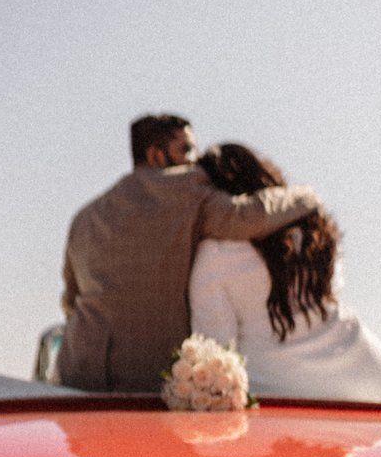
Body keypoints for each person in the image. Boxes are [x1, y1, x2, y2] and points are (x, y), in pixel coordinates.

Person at [56, 115, 325, 392]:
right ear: (156, 155)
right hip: (148, 383)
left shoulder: (85, 217)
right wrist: (305, 195)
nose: (195, 159)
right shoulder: (186, 186)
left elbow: (70, 301)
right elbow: (248, 216)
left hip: (77, 377)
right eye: (186, 149)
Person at [189, 143, 381, 401]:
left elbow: (216, 352)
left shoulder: (214, 255)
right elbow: (333, 289)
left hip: (281, 393)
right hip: (371, 377)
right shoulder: (314, 233)